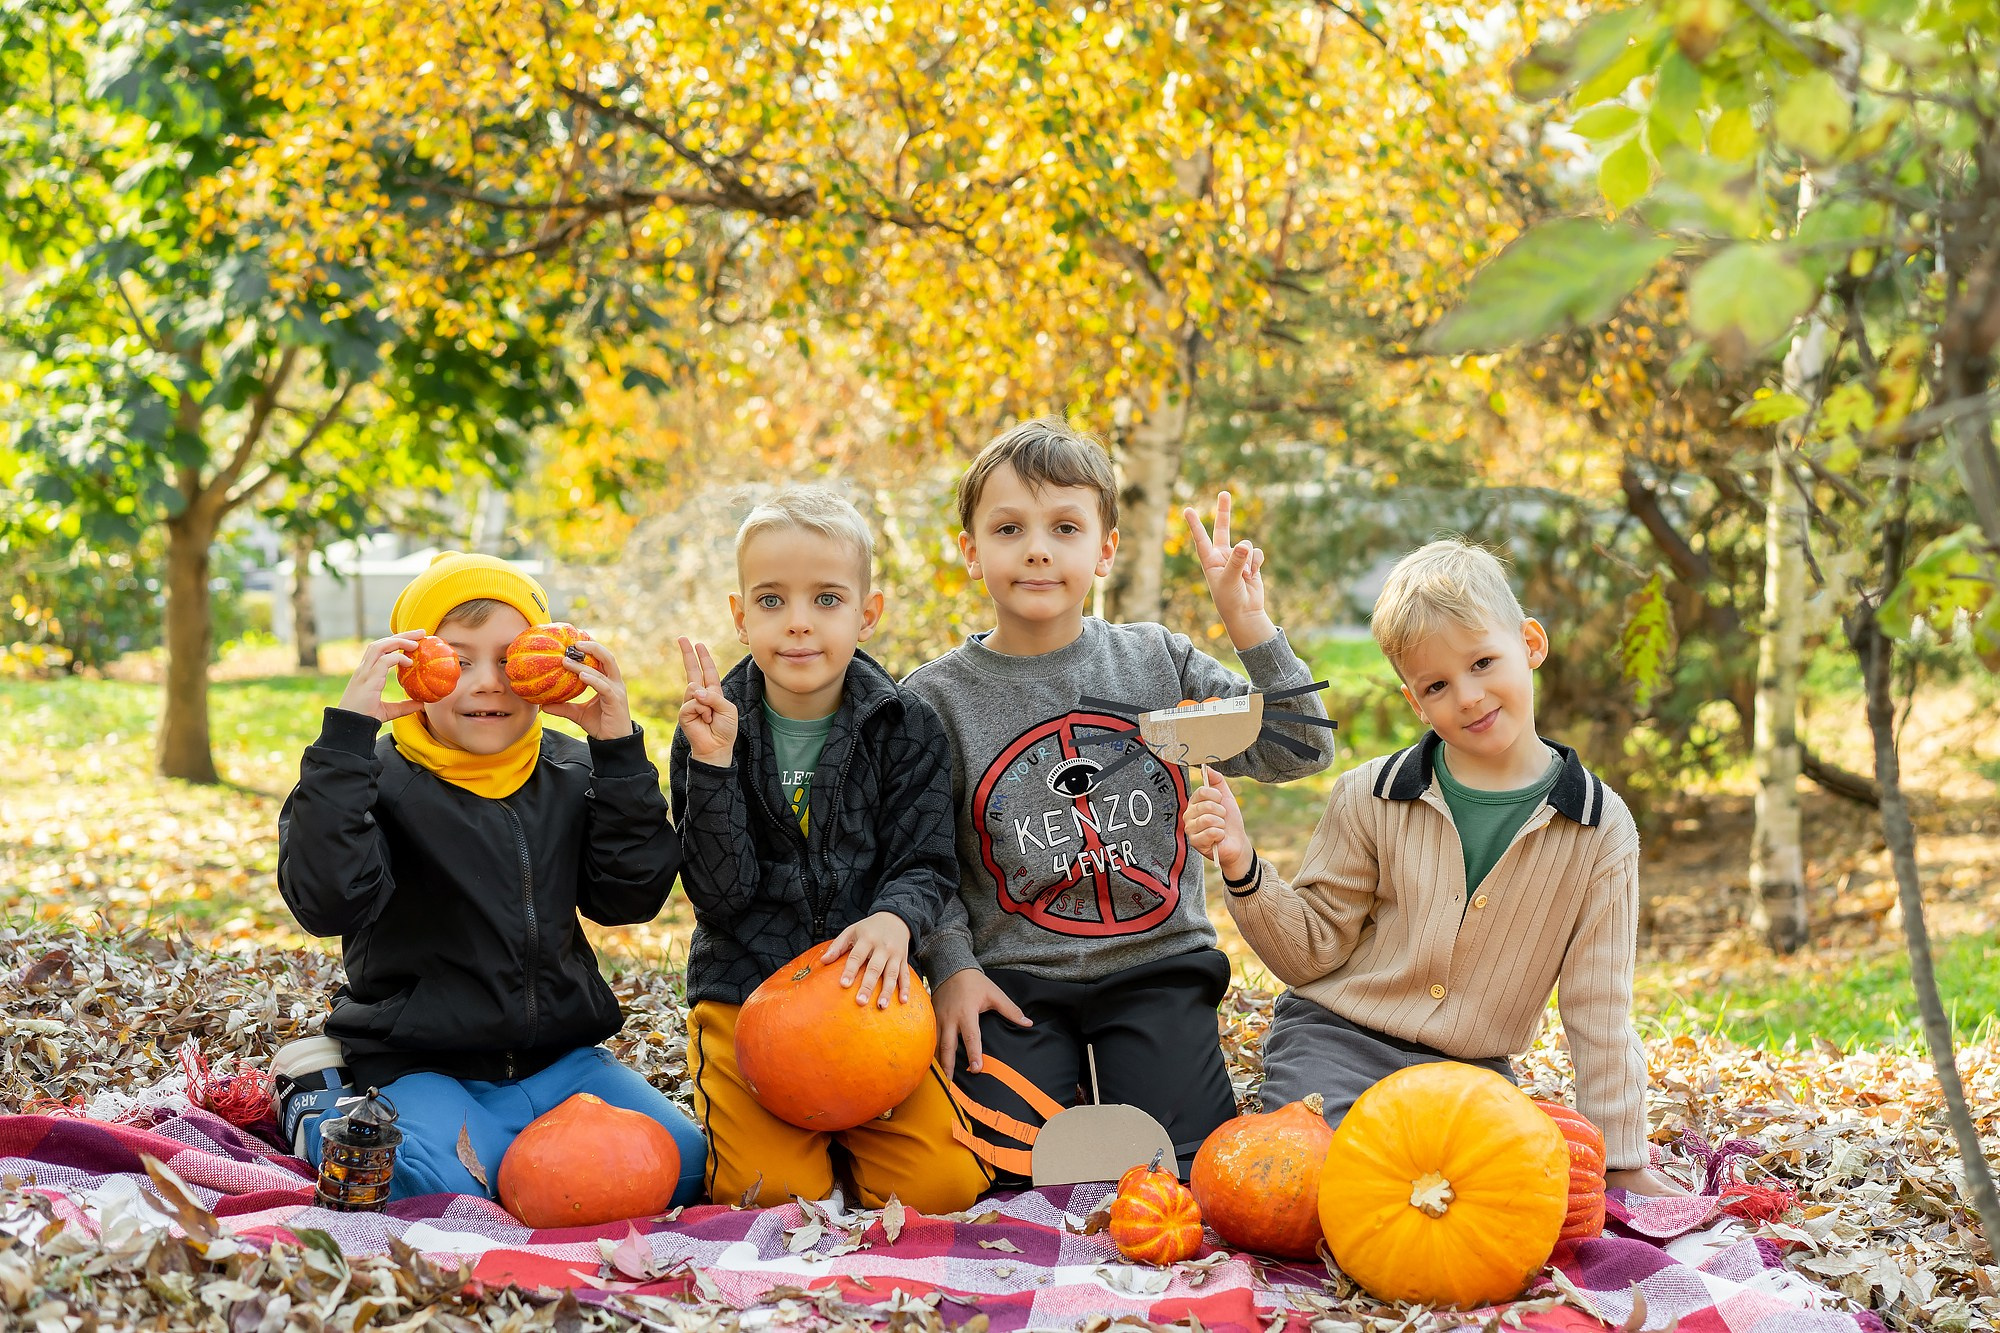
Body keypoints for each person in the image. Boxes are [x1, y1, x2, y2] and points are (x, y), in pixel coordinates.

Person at [1184, 538, 1683, 1194]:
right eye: (1439, 685)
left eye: (1483, 662)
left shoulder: (1598, 828)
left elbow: (1598, 1007)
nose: (1469, 696)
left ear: (1530, 643)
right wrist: (1243, 863)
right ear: (1415, 701)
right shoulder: (1369, 795)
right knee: (1314, 1186)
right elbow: (1311, 951)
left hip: (1470, 1069)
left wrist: (1619, 1161)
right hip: (1337, 1040)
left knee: (1485, 1198)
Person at [905, 417, 1331, 1177]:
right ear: (971, 551)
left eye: (1065, 526)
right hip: (1014, 978)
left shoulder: (1155, 663)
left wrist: (1248, 621)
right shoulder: (935, 700)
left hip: (1155, 964)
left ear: (1104, 550)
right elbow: (919, 851)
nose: (1038, 547)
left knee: (1184, 1171)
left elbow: (1300, 745)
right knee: (1008, 1170)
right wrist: (952, 966)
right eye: (1010, 527)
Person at [274, 551, 705, 1204]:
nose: (487, 683)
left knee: (690, 1166)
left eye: (510, 659)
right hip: (422, 1063)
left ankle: (505, 1149)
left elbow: (631, 897)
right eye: (457, 659)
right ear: (412, 666)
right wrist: (345, 742)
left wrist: (618, 750)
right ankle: (316, 1103)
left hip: (562, 1063)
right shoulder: (372, 780)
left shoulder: (571, 769)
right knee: (426, 1186)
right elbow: (327, 900)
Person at [672, 488, 989, 1211]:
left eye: (826, 599)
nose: (799, 624)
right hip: (745, 993)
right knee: (771, 1196)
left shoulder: (904, 724)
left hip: (868, 996)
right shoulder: (709, 728)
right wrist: (716, 765)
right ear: (740, 613)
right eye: (773, 601)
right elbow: (720, 896)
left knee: (941, 1191)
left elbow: (927, 858)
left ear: (867, 612)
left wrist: (896, 919)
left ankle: (853, 1142)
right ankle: (806, 1148)